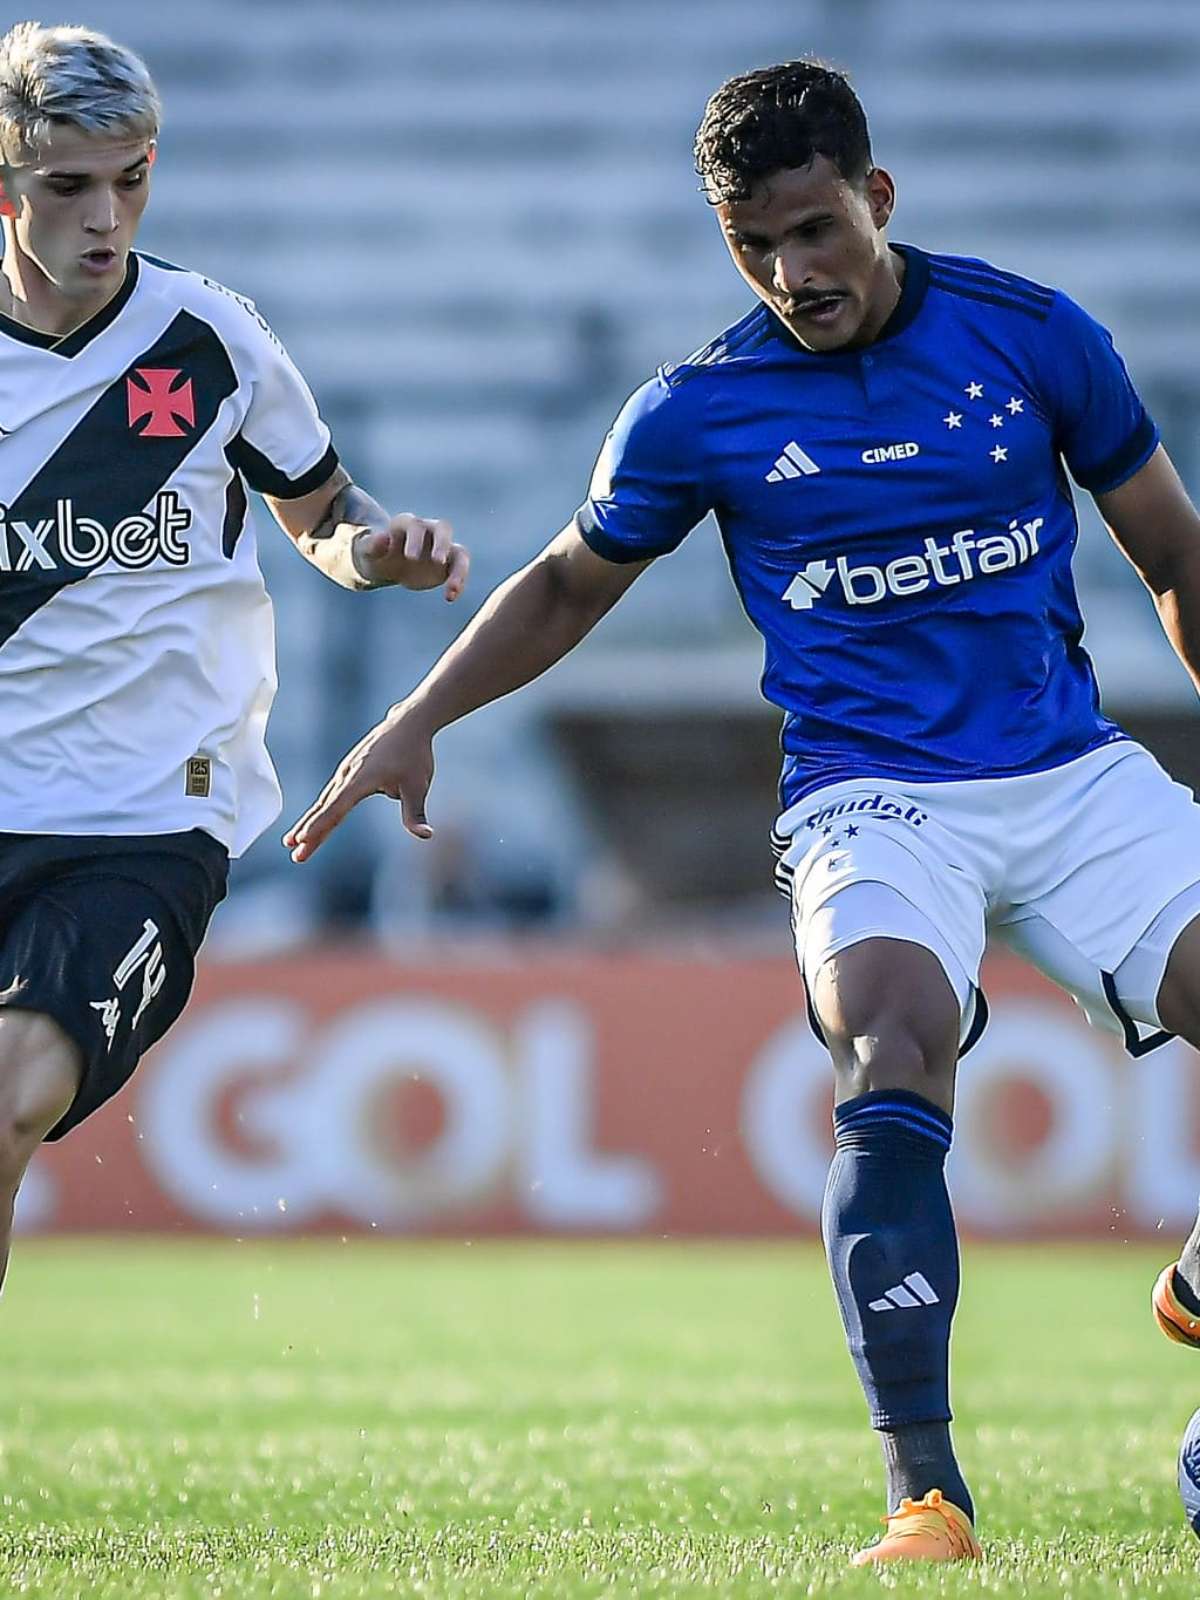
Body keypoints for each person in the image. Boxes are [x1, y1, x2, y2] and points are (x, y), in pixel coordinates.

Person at [285, 57, 1200, 1563]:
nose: (793, 274)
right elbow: (573, 582)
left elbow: (1171, 547)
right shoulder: (700, 409)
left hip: (1065, 770)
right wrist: (417, 717)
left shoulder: (1034, 338)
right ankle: (926, 1496)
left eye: (816, 230)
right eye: (753, 243)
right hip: (872, 793)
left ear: (876, 200)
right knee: (889, 1043)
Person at [0, 22, 468, 1290]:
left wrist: (386, 549)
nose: (108, 216)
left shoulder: (206, 341)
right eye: (69, 187)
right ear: (5, 182)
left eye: (133, 177)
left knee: (9, 1093)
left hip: (140, 820)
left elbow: (324, 515)